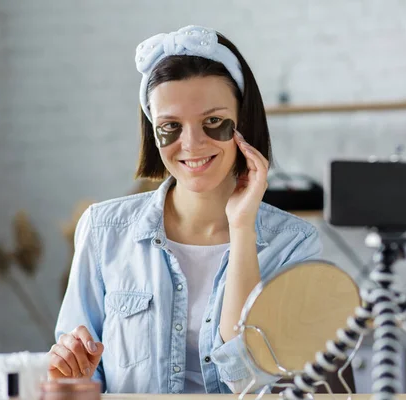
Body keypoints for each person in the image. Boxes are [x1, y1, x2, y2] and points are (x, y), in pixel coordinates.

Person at [49, 25, 322, 394]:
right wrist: (68, 373)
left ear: (243, 120)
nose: (191, 144)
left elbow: (248, 381)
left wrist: (242, 229)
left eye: (213, 122)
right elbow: (79, 380)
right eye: (170, 127)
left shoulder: (294, 243)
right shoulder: (103, 230)